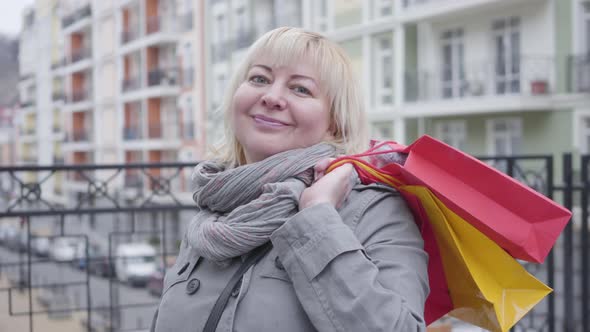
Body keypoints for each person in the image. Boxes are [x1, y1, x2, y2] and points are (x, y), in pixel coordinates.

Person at [151, 27, 429, 332]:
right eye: (259, 78)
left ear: (335, 124)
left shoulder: (374, 210)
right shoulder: (216, 204)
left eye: (300, 89)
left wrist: (317, 219)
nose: (271, 97)